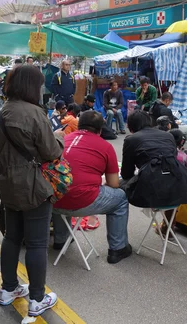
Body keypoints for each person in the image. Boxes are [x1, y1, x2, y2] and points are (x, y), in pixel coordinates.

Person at [0, 64, 63, 317]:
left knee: (11, 237)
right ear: (32, 86)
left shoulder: (1, 113)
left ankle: (9, 289)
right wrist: (60, 137)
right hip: (34, 187)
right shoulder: (34, 113)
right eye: (40, 84)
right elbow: (52, 152)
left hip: (8, 184)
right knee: (37, 243)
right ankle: (37, 299)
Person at [52, 111, 132, 264]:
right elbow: (114, 183)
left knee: (63, 188)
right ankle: (118, 248)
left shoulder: (64, 139)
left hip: (53, 201)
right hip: (82, 201)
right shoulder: (105, 146)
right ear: (100, 130)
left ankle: (61, 240)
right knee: (121, 198)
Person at [121, 111, 187, 208]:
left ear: (130, 126)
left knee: (116, 184)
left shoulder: (131, 140)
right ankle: (168, 222)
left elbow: (126, 173)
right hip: (178, 184)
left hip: (151, 187)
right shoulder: (168, 135)